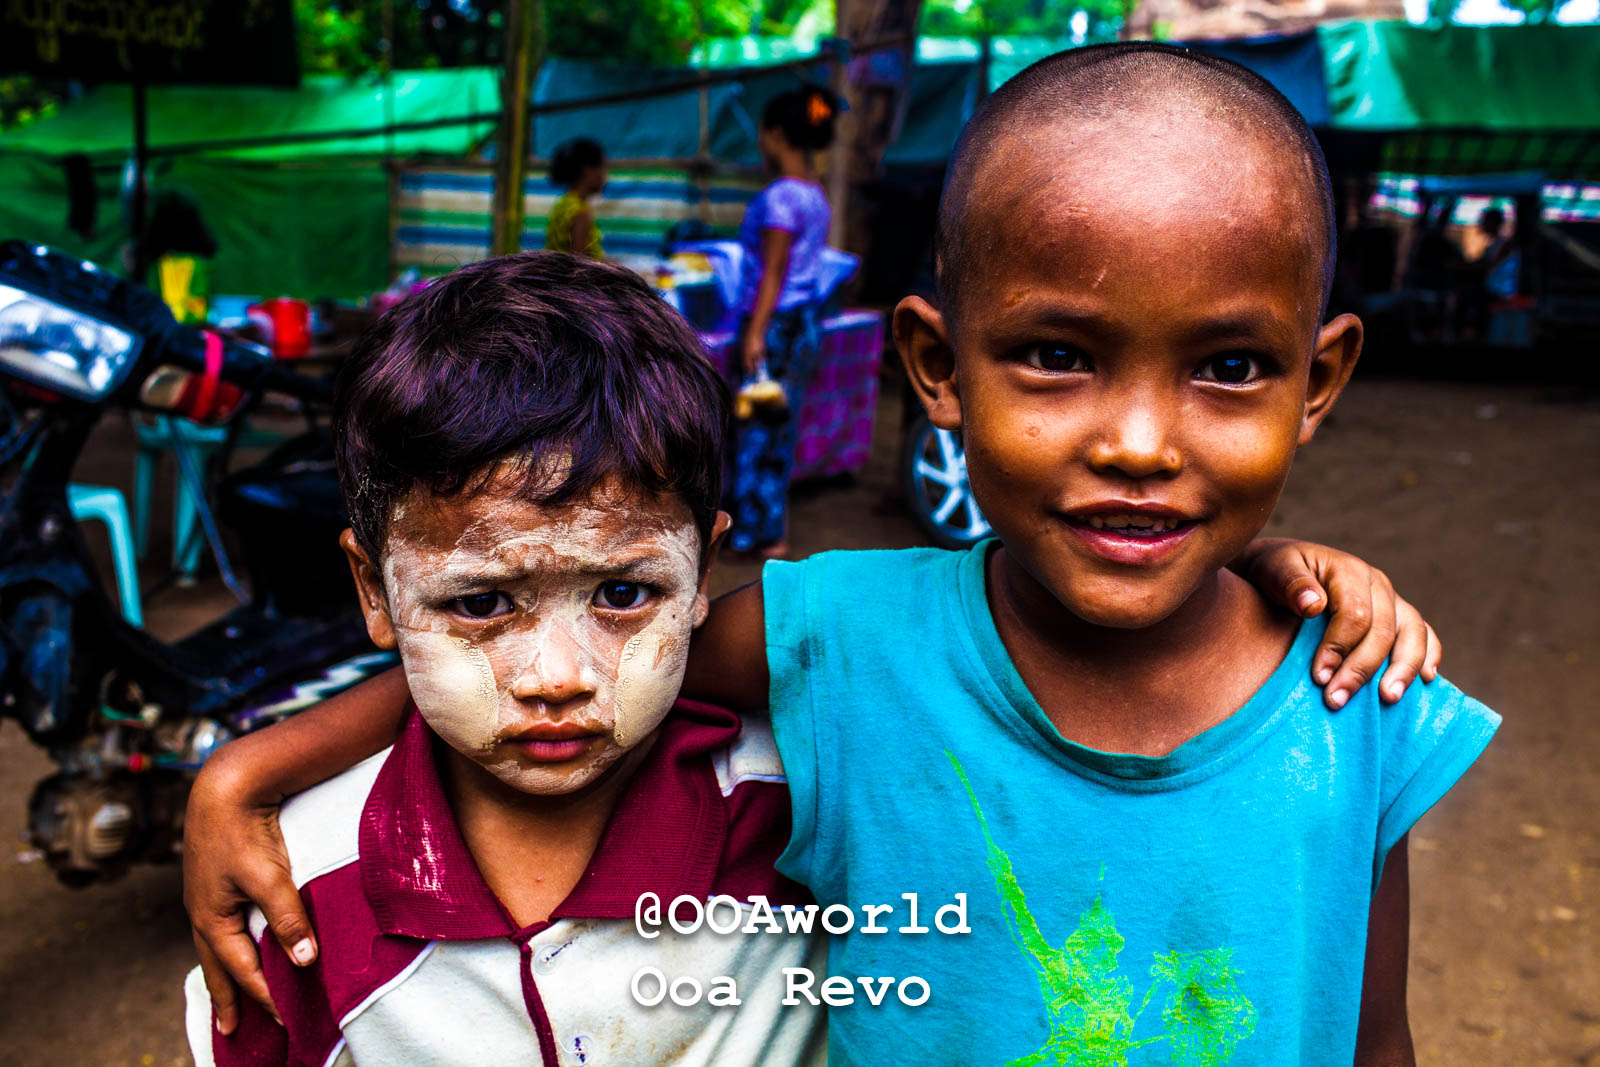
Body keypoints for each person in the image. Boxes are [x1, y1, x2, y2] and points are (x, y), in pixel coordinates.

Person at [184, 45, 1453, 1063]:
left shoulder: (1365, 701)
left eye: (1227, 368)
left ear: (1318, 378)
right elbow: (576, 647)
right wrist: (248, 768)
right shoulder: (838, 638)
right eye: (1059, 355)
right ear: (936, 369)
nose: (1136, 441)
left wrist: (1280, 564)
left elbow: (1378, 1036)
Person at [181, 253, 826, 1066]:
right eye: (482, 603)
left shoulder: (809, 801)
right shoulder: (296, 896)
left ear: (704, 573)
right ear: (372, 592)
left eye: (623, 593)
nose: (557, 678)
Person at [727, 86, 839, 558]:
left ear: (775, 135)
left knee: (756, 425)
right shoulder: (815, 196)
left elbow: (773, 270)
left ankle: (753, 531)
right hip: (805, 321)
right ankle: (773, 530)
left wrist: (755, 331)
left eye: (762, 134)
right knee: (780, 425)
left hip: (775, 324)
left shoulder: (778, 200)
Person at [544, 138, 607, 259]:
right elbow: (579, 263)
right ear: (587, 170)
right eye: (602, 168)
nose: (605, 177)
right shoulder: (580, 212)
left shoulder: (562, 204)